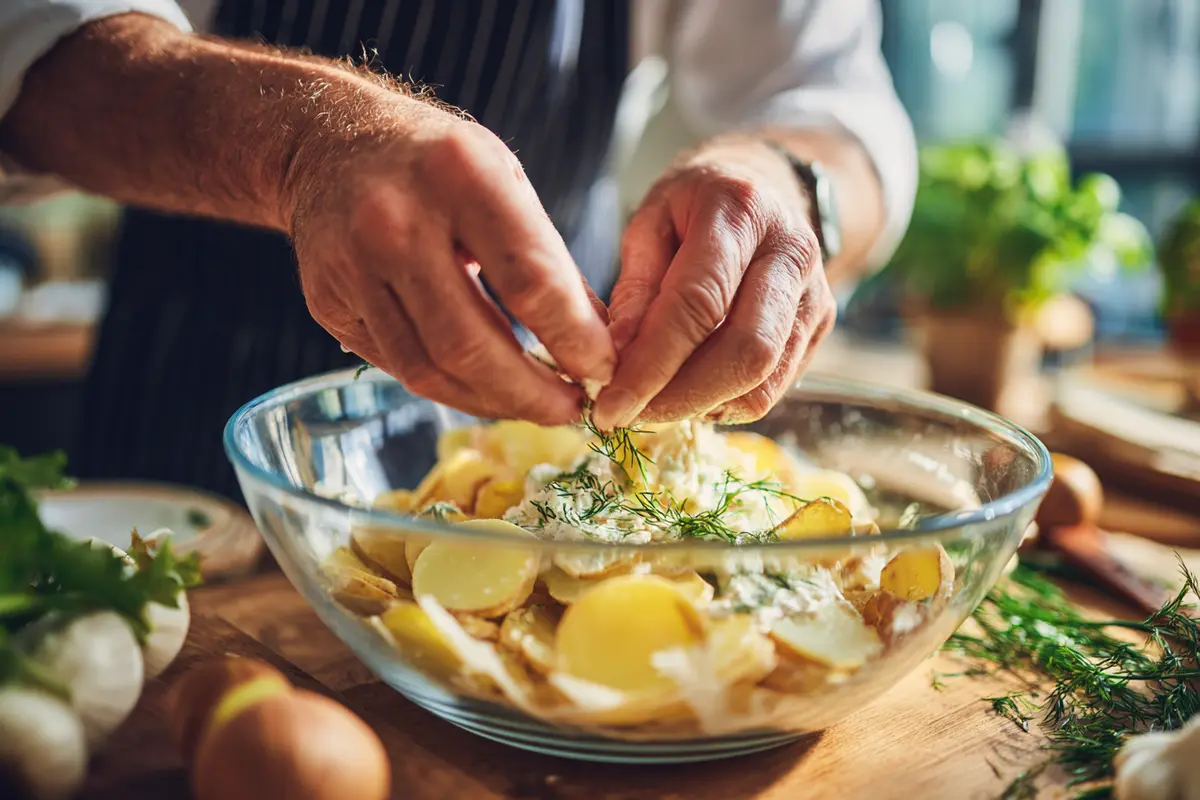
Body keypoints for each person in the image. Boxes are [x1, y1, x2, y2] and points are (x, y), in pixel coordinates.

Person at [0, 0, 916, 500]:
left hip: (537, 444)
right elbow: (29, 39)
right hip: (183, 406)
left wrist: (791, 181)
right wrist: (296, 147)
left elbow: (833, 96)